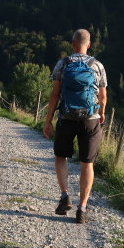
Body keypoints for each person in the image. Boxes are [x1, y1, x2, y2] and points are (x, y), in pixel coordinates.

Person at [42, 29, 107, 223]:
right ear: (89, 44)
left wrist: (48, 120)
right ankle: (82, 208)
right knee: (87, 163)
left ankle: (64, 196)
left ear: (72, 44)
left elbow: (55, 94)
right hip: (90, 119)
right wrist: (102, 113)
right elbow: (103, 96)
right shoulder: (97, 65)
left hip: (67, 117)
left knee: (61, 156)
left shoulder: (63, 64)